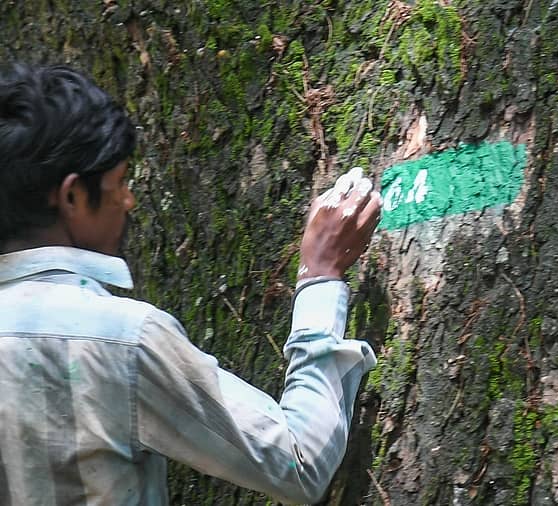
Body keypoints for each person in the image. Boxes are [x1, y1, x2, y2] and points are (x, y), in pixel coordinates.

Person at [0, 63, 381, 504]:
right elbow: (298, 463)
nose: (129, 201)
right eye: (120, 183)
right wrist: (320, 273)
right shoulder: (120, 341)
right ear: (72, 196)